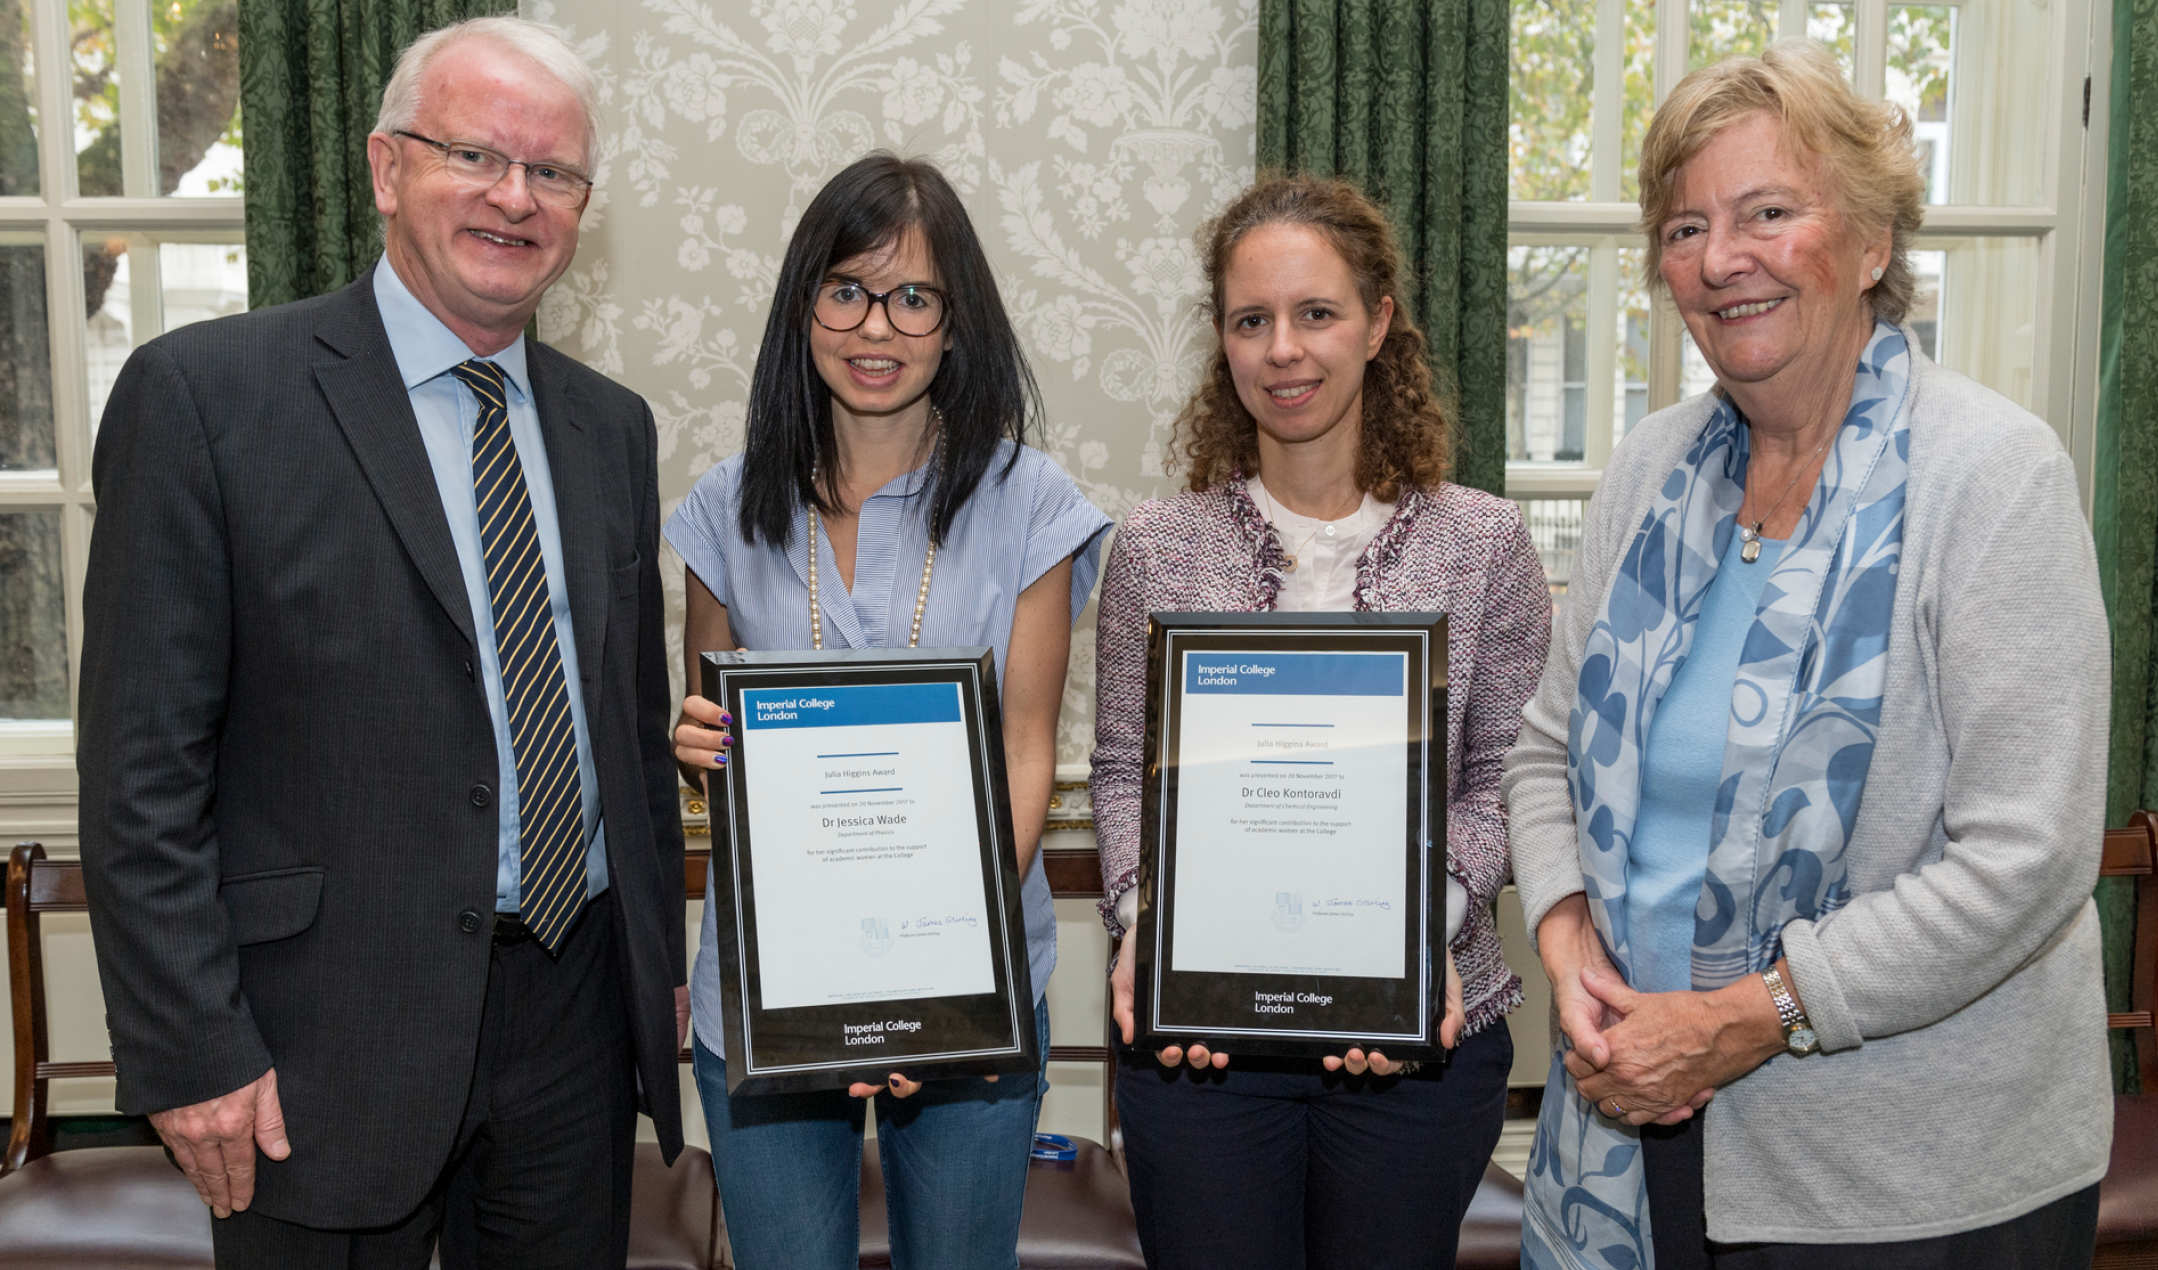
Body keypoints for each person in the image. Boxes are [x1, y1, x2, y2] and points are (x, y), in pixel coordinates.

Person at [75, 17, 687, 1268]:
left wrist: (654, 970)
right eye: (474, 155)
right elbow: (140, 773)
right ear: (385, 167)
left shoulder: (609, 429)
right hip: (316, 1042)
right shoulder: (205, 398)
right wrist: (191, 1049)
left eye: (553, 171)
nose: (514, 197)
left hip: (572, 1025)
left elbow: (623, 732)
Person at [1504, 39, 2111, 1269]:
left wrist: (1750, 1014)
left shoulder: (1992, 476)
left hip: (1914, 1179)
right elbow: (1541, 754)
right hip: (1631, 1119)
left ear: (1873, 242)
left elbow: (2025, 856)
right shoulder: (1649, 470)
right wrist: (1568, 950)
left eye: (1767, 213)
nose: (1721, 258)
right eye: (1685, 228)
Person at [1088, 173, 1552, 1270]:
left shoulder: (1483, 543)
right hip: (1201, 1051)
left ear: (1378, 324)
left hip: (1423, 1038)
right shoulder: (1156, 546)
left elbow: (1502, 778)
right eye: (1251, 320)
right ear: (1222, 341)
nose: (1283, 350)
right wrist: (1149, 922)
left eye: (1316, 313)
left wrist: (1405, 945)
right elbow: (1120, 770)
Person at [666, 152, 1111, 1270]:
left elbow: (1025, 752)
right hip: (770, 991)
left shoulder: (1029, 502)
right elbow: (711, 734)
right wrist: (692, 744)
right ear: (802, 305)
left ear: (956, 325)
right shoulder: (726, 504)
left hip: (970, 988)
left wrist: (935, 975)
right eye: (847, 290)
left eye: (915, 296)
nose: (878, 327)